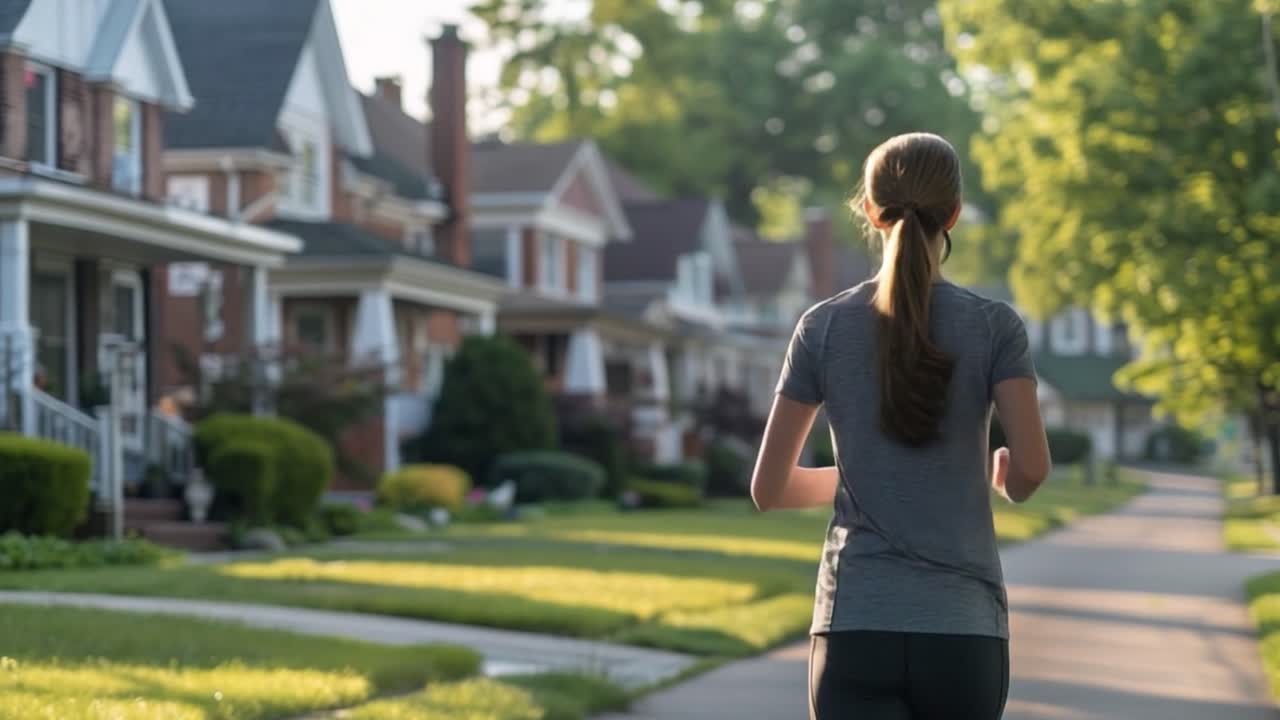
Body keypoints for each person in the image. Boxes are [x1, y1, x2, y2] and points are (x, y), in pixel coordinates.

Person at [750, 132, 1051, 720]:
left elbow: (769, 488)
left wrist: (864, 476)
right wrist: (1003, 475)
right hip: (963, 630)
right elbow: (1032, 470)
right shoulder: (994, 327)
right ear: (955, 214)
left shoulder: (823, 327)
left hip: (855, 626)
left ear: (870, 210)